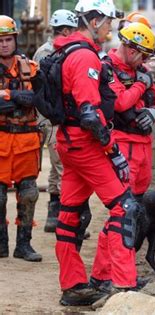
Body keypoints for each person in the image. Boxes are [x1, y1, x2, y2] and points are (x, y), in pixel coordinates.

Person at [51, 0, 142, 306]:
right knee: (124, 207)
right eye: (106, 23)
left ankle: (74, 286)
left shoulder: (64, 50)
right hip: (86, 144)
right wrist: (113, 150)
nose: (109, 29)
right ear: (92, 21)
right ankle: (123, 284)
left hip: (68, 142)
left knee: (69, 216)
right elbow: (90, 114)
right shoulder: (85, 56)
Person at [0, 15, 42, 262]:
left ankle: (23, 245)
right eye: (0, 40)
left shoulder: (31, 68)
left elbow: (42, 99)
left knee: (28, 193)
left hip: (27, 141)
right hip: (1, 140)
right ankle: (1, 243)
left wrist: (9, 96)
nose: (4, 44)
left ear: (15, 39)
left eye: (8, 39)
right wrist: (17, 97)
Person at [33, 9, 77, 233]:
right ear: (67, 30)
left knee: (56, 167)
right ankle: (63, 218)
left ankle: (54, 213)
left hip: (50, 116)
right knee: (61, 166)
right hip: (50, 118)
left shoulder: (48, 51)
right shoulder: (50, 53)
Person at [117, 12, 155, 189]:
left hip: (144, 125)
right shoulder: (119, 62)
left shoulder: (150, 66)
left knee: (148, 176)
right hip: (124, 131)